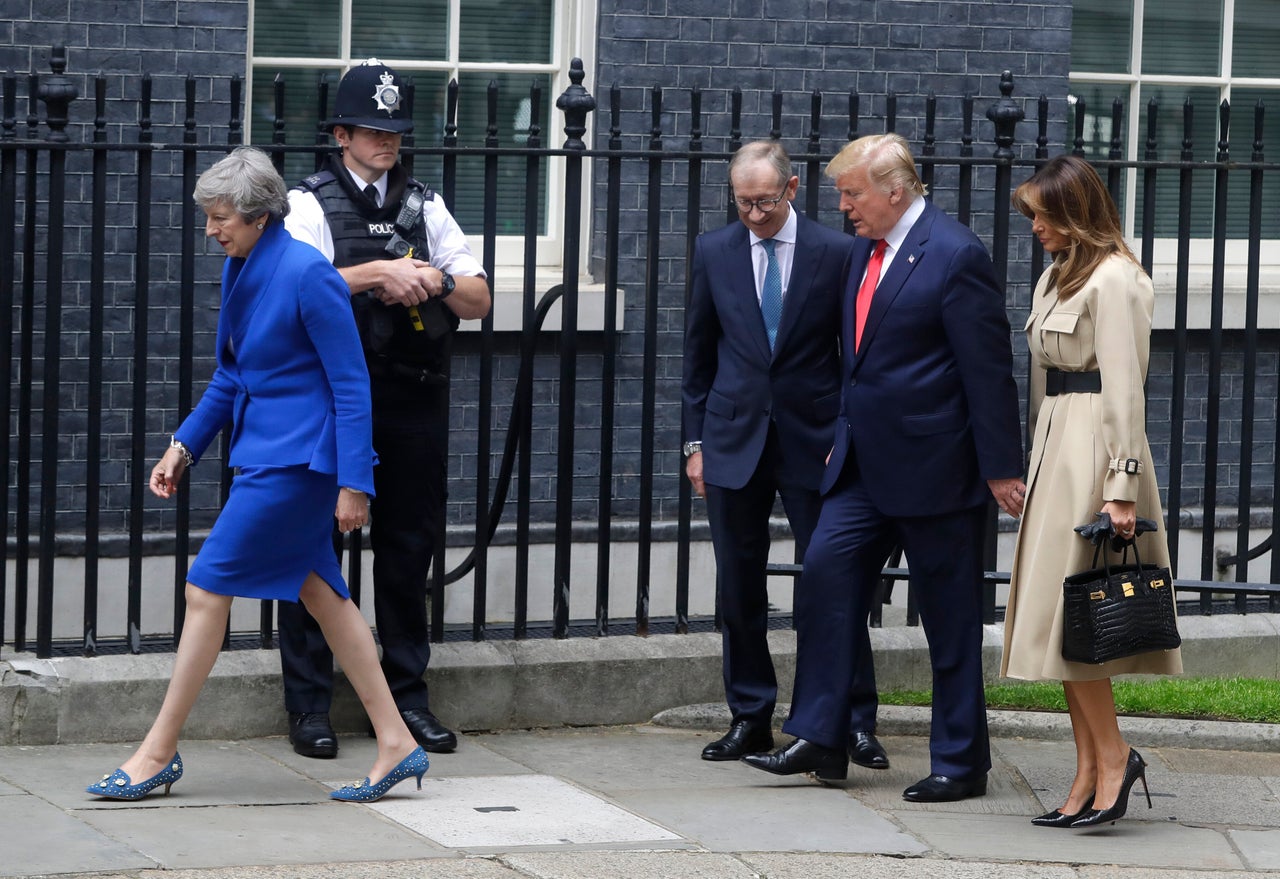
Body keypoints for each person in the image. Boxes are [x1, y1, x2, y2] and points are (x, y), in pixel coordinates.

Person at [85, 147, 426, 803]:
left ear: (261, 216)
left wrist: (356, 483)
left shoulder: (309, 274)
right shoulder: (241, 268)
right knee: (325, 595)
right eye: (211, 217)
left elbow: (352, 386)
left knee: (206, 587)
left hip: (297, 464)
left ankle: (156, 751)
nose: (212, 230)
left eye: (222, 218)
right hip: (265, 456)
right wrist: (184, 445)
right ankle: (396, 741)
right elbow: (234, 374)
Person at [743, 134, 1023, 802]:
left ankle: (960, 761)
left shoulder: (956, 254)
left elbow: (988, 372)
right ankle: (821, 734)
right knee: (826, 579)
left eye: (852, 194)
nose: (842, 208)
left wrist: (1002, 468)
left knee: (948, 619)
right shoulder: (864, 254)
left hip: (937, 467)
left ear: (895, 191)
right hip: (861, 465)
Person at [278, 59, 490, 760]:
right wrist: (376, 272)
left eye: (395, 131)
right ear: (341, 133)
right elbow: (293, 296)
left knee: (408, 550)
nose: (387, 142)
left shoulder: (425, 206)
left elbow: (479, 299)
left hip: (410, 395)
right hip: (332, 401)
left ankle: (406, 699)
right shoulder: (308, 204)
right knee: (315, 550)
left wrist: (433, 278)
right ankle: (309, 705)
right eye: (373, 130)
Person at [682, 141, 887, 771]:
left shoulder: (837, 251)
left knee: (833, 581)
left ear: (792, 189)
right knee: (737, 588)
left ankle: (851, 720)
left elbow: (856, 351)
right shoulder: (715, 251)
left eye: (764, 201)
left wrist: (851, 435)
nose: (753, 214)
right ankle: (750, 717)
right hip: (732, 440)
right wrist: (694, 444)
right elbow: (697, 357)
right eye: (743, 203)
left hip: (815, 439)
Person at [1003, 154, 1183, 828]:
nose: (1036, 228)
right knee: (1059, 628)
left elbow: (1125, 392)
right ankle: (1087, 769)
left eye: (1044, 215)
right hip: (1058, 452)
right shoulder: (1057, 277)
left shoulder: (1118, 282)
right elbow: (1048, 384)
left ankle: (1114, 760)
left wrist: (1123, 488)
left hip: (1097, 460)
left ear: (1077, 214)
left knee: (1078, 625)